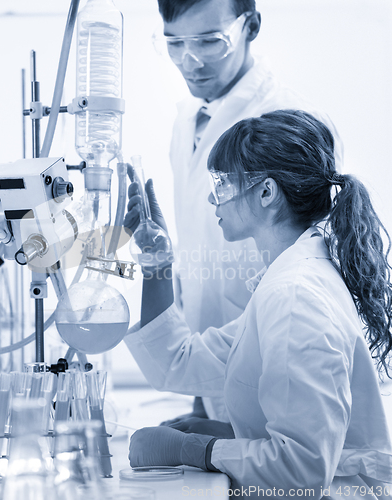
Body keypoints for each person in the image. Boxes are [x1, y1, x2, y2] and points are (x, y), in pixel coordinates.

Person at [124, 110, 392, 495]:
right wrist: (157, 263)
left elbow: (301, 470)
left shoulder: (296, 297)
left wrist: (198, 449)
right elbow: (177, 363)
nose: (212, 197)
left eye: (222, 183)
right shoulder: (284, 282)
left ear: (266, 192)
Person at [139, 0, 345, 424]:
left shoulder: (287, 122)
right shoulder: (186, 120)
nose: (189, 61)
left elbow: (313, 254)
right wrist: (204, 397)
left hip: (279, 371)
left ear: (250, 26)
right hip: (216, 368)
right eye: (174, 44)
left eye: (209, 41)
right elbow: (201, 255)